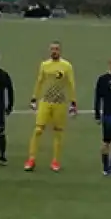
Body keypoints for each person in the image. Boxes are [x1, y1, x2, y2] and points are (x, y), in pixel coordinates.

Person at [28, 41, 77, 172]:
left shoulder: (66, 66)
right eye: (52, 49)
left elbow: (71, 83)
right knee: (38, 130)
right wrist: (34, 98)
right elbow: (39, 81)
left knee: (58, 133)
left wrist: (73, 101)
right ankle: (31, 159)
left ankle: (55, 161)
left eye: (57, 49)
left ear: (60, 51)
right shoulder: (44, 65)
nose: (54, 51)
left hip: (60, 103)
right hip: (45, 101)